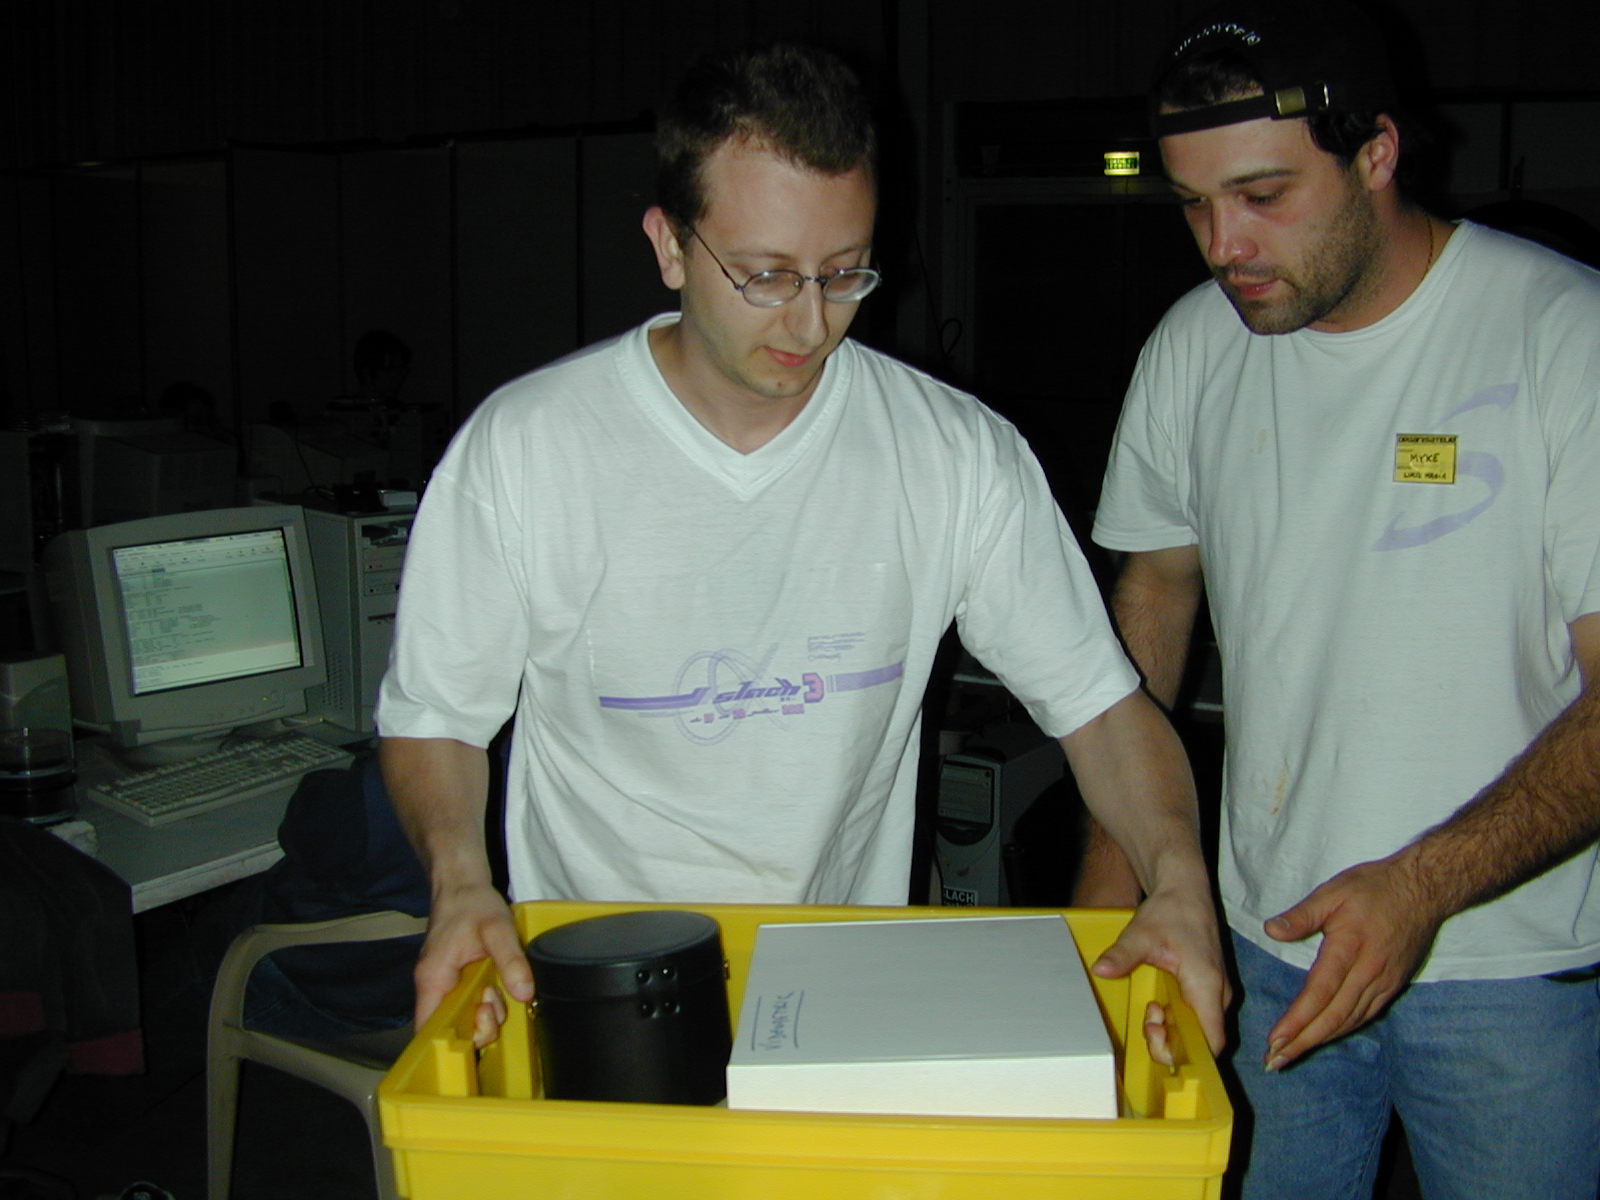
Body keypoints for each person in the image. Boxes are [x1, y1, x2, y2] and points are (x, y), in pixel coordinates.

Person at [376, 42, 1225, 1053]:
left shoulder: (953, 454)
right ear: (669, 246)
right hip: (600, 988)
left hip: (843, 986)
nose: (813, 322)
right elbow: (434, 717)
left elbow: (1100, 708)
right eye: (767, 275)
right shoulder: (527, 451)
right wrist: (459, 880)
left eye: (843, 272)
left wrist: (1178, 877)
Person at [1079, 3, 1600, 1197]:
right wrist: (1111, 909)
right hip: (1260, 945)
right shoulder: (1193, 349)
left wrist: (1419, 885)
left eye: (1262, 194)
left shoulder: (1559, 337)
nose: (1224, 244)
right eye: (1193, 204)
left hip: (1507, 965)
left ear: (1376, 152)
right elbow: (1147, 620)